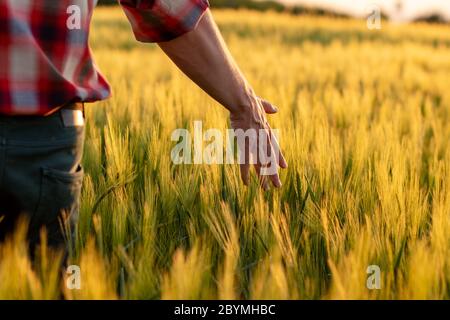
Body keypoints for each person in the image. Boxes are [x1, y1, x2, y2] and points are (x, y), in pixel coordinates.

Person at [0, 0, 287, 249]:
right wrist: (243, 103)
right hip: (37, 136)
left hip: (39, 139)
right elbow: (168, 7)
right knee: (38, 279)